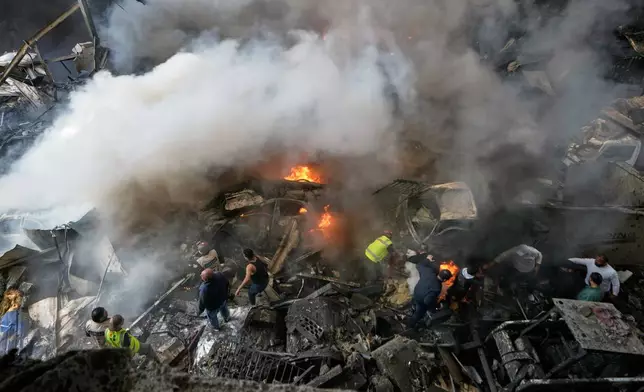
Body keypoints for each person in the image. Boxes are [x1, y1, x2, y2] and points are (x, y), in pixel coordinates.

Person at [407, 255, 453, 329]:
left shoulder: (429, 272)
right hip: (421, 300)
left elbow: (419, 265)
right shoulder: (437, 288)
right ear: (445, 280)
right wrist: (434, 307)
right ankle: (410, 326)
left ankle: (412, 308)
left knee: (414, 301)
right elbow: (427, 301)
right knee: (418, 314)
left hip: (416, 292)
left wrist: (427, 259)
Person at [0, 288, 28, 353]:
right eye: (20, 299)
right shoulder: (13, 315)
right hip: (8, 351)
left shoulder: (6, 314)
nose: (22, 302)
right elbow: (21, 333)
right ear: (14, 304)